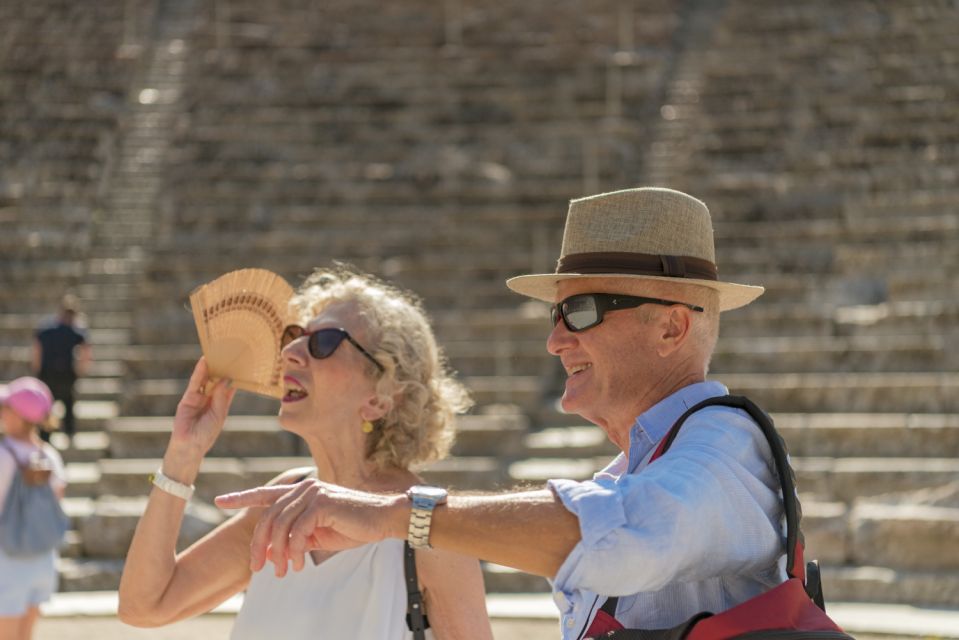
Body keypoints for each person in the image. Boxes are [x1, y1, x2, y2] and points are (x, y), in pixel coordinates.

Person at [216, 187, 787, 637]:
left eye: (582, 311)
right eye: (555, 315)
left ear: (671, 326)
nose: (556, 341)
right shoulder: (641, 468)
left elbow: (627, 534)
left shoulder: (724, 447)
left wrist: (397, 515)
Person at [117, 266, 493, 640]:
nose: (290, 352)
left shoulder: (431, 532)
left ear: (382, 396)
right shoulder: (281, 502)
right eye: (295, 336)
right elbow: (145, 606)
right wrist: (185, 452)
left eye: (324, 342)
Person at [0, 377, 67, 640]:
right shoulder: (50, 456)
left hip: (7, 554)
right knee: (25, 635)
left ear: (16, 415)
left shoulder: (3, 454)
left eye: (6, 407)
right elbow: (58, 500)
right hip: (42, 554)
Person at [33, 294, 92, 445]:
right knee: (68, 403)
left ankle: (45, 438)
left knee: (47, 405)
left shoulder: (45, 329)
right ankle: (70, 435)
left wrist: (37, 370)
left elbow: (37, 352)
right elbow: (86, 352)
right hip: (66, 374)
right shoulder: (76, 331)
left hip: (46, 374)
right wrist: (80, 370)